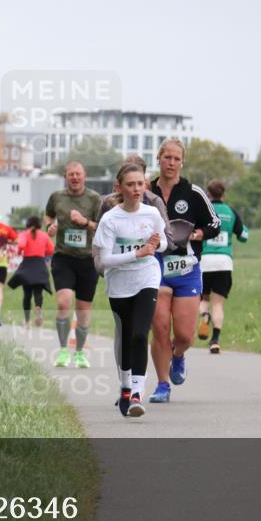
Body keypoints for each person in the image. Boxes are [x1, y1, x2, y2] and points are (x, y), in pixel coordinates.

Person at [148, 139, 221, 403]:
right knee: (160, 328)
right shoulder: (147, 191)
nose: (171, 163)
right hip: (155, 265)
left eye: (176, 158)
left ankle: (177, 355)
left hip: (186, 267)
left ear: (182, 162)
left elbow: (214, 223)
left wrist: (198, 233)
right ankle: (162, 385)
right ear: (159, 158)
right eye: (167, 157)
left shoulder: (193, 193)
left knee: (185, 335)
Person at [93, 163, 168, 418]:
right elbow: (105, 260)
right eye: (130, 184)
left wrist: (155, 245)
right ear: (119, 187)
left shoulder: (152, 213)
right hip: (119, 283)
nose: (136, 189)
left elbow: (163, 242)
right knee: (125, 337)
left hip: (147, 276)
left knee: (139, 334)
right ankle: (125, 387)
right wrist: (139, 252)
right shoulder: (110, 219)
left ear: (145, 185)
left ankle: (137, 393)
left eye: (140, 184)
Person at [44, 161, 103, 368]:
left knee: (83, 309)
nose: (75, 177)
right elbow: (48, 215)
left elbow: (102, 226)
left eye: (78, 174)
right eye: (71, 174)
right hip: (63, 257)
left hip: (87, 259)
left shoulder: (94, 199)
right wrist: (50, 226)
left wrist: (84, 222)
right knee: (64, 302)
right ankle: (62, 351)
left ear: (84, 176)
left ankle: (79, 352)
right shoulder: (56, 197)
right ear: (65, 177)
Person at [197, 179, 249, 354]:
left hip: (204, 261)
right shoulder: (230, 212)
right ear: (224, 194)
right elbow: (243, 236)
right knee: (218, 303)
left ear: (208, 193)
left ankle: (205, 316)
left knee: (203, 299)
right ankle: (215, 340)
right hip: (224, 262)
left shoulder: (203, 210)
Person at [8, 216, 54, 327]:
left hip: (27, 266)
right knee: (38, 292)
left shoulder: (24, 234)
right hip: (40, 265)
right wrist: (42, 251)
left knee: (27, 295)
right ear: (39, 225)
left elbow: (21, 245)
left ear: (28, 225)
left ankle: (27, 321)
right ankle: (38, 307)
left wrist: (20, 251)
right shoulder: (44, 235)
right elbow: (51, 249)